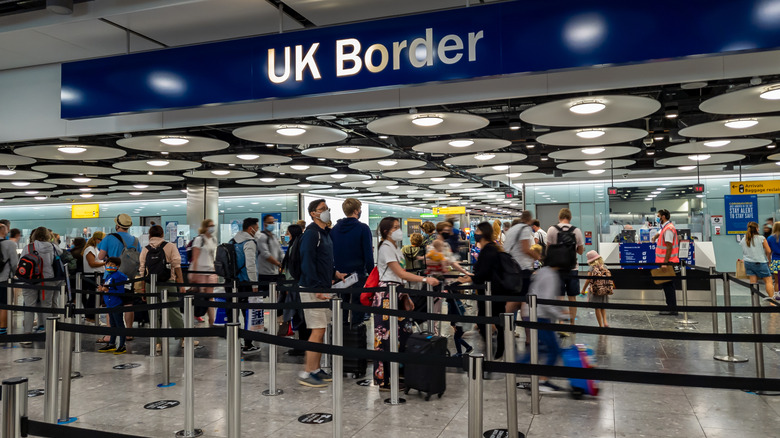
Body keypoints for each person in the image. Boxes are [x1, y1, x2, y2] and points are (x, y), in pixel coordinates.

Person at [373, 217, 439, 390]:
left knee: (402, 335)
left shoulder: (396, 247)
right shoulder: (386, 248)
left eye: (398, 226)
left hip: (398, 293)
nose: (398, 230)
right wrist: (425, 279)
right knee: (386, 337)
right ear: (386, 231)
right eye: (395, 227)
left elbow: (400, 278)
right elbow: (400, 273)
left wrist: (406, 297)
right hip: (387, 296)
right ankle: (385, 379)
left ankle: (399, 373)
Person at [297, 199, 346, 387]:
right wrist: (316, 287)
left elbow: (323, 260)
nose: (326, 212)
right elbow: (307, 262)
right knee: (317, 330)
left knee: (322, 328)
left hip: (324, 286)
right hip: (313, 288)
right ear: (313, 213)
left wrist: (335, 273)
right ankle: (307, 372)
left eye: (327, 209)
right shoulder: (311, 234)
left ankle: (316, 369)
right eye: (322, 209)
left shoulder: (324, 233)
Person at [517, 241, 570, 392]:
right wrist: (561, 314)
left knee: (541, 348)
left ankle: (513, 367)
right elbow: (545, 302)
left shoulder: (543, 271)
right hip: (538, 316)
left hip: (531, 313)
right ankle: (543, 381)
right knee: (554, 349)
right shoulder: (551, 275)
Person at [459, 222, 509, 360]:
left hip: (490, 293)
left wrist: (469, 279)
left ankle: (497, 349)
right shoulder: (493, 248)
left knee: (487, 321)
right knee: (496, 321)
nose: (476, 233)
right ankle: (497, 348)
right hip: (496, 291)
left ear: (484, 233)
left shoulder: (488, 250)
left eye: (478, 230)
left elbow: (482, 273)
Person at [139, 225, 194, 350]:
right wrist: (181, 284)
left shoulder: (145, 249)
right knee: (173, 310)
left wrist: (143, 289)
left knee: (153, 312)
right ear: (162, 234)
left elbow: (142, 271)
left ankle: (157, 342)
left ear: (150, 235)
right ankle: (183, 338)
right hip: (168, 283)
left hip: (150, 284)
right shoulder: (170, 246)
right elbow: (177, 265)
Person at [331, 198, 374, 323]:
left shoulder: (335, 229)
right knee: (357, 307)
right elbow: (368, 255)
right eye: (360, 209)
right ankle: (356, 336)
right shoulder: (363, 228)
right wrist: (372, 274)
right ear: (356, 211)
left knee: (341, 307)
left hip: (340, 274)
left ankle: (341, 335)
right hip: (358, 274)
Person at [97, 214, 141, 330]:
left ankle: (111, 333)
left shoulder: (109, 238)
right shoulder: (135, 240)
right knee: (128, 304)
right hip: (128, 277)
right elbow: (139, 259)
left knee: (110, 304)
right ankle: (129, 332)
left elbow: (100, 256)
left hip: (111, 277)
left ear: (117, 225)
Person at [21, 227, 63, 334]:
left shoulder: (28, 247)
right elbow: (61, 253)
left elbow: (21, 262)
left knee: (29, 307)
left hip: (30, 280)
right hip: (48, 280)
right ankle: (49, 333)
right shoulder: (53, 247)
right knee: (46, 306)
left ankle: (27, 334)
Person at [546, 208, 585, 324]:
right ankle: (572, 323)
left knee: (559, 296)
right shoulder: (576, 231)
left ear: (559, 217)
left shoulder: (552, 230)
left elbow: (548, 250)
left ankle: (561, 323)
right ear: (570, 218)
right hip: (572, 268)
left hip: (557, 269)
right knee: (572, 297)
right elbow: (581, 251)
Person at [230, 218, 262, 353]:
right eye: (257, 228)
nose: (257, 231)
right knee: (248, 313)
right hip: (245, 282)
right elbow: (250, 265)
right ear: (251, 229)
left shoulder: (232, 241)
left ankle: (234, 341)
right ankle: (248, 344)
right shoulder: (248, 242)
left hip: (232, 282)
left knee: (234, 313)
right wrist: (254, 284)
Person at [280, 224, 310, 356]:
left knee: (299, 316)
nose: (286, 234)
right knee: (300, 316)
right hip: (296, 285)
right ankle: (303, 344)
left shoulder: (294, 247)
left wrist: (288, 287)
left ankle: (302, 345)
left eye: (287, 232)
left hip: (293, 286)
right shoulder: (297, 245)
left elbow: (291, 269)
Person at [189, 219, 218, 326]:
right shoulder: (199, 239)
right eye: (210, 225)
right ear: (205, 227)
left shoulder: (214, 239)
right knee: (199, 297)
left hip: (210, 271)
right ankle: (196, 315)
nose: (212, 227)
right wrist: (194, 273)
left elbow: (213, 257)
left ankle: (212, 322)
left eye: (213, 225)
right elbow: (195, 258)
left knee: (210, 297)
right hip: (200, 271)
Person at [504, 212, 541, 297]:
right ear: (529, 219)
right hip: (522, 268)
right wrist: (538, 257)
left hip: (510, 267)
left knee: (514, 298)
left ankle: (506, 310)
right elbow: (525, 249)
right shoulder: (525, 228)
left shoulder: (512, 229)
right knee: (525, 298)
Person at [97, 257, 128, 354]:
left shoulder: (119, 276)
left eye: (112, 265)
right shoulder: (109, 276)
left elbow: (120, 291)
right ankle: (112, 343)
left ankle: (122, 345)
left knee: (119, 324)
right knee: (112, 324)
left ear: (117, 266)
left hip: (116, 303)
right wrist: (103, 289)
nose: (109, 266)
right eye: (108, 264)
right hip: (109, 303)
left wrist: (107, 290)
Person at [652, 209, 680, 315]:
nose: (657, 217)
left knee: (668, 286)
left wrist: (665, 263)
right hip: (667, 261)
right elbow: (661, 232)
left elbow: (669, 247)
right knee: (667, 285)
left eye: (658, 216)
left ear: (663, 217)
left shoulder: (668, 229)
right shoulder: (666, 227)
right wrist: (655, 236)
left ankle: (672, 309)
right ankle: (671, 307)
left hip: (668, 262)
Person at [740, 221, 774, 297]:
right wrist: (768, 258)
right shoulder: (761, 238)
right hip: (760, 262)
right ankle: (772, 300)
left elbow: (745, 251)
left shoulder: (744, 239)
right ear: (756, 228)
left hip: (748, 263)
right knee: (768, 281)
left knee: (753, 282)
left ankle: (755, 301)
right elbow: (768, 250)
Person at [581, 250, 612, 327]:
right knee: (602, 307)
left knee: (597, 308)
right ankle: (605, 322)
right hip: (604, 289)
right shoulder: (604, 266)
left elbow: (588, 279)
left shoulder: (592, 268)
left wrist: (583, 289)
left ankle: (600, 325)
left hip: (595, 290)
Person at [0, 224, 19, 334]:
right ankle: (2, 329)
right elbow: (14, 263)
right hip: (4, 278)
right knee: (3, 304)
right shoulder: (10, 244)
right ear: (4, 231)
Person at [83, 232, 106, 319]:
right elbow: (92, 263)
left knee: (97, 296)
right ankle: (90, 316)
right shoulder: (90, 249)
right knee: (94, 296)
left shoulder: (95, 249)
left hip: (97, 275)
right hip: (93, 276)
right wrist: (105, 263)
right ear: (96, 239)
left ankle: (93, 315)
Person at [767, 222, 780, 297]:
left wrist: (769, 262)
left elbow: (768, 251)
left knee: (777, 281)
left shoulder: (770, 238)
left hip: (775, 260)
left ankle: (777, 296)